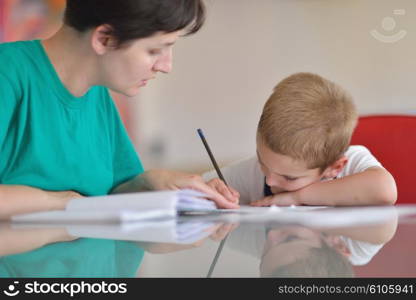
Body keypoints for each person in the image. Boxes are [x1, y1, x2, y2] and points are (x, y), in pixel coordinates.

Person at [0, 0, 239, 220]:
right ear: (105, 39)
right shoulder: (8, 75)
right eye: (155, 50)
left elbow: (112, 192)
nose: (166, 66)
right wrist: (62, 203)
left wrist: (150, 181)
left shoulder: (96, 92)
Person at [204, 72, 397, 206]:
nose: (270, 181)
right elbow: (194, 189)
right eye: (263, 162)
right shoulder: (259, 172)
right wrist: (207, 193)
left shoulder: (351, 164)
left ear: (334, 168)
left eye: (289, 177)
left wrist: (297, 197)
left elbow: (384, 190)